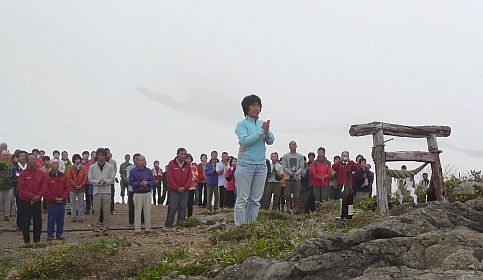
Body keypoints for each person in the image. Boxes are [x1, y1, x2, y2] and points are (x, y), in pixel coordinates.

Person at [234, 94, 274, 226]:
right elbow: (245, 141)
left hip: (261, 165)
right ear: (246, 108)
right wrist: (261, 132)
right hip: (245, 165)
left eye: (258, 105)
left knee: (256, 200)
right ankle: (240, 227)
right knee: (242, 200)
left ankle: (250, 226)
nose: (256, 108)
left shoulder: (263, 124)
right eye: (253, 105)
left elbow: (271, 140)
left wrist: (266, 132)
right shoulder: (241, 124)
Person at [18, 153, 45, 243]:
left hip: (37, 201)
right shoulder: (23, 174)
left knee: (38, 221)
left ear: (36, 160)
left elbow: (43, 186)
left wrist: (38, 196)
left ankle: (37, 240)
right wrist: (32, 197)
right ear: (27, 160)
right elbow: (21, 188)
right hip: (25, 201)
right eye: (29, 159)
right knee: (25, 221)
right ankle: (27, 241)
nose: (31, 161)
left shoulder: (41, 174)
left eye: (33, 159)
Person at [88, 148, 115, 236]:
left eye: (103, 155)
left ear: (105, 156)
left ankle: (105, 228)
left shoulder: (110, 167)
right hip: (96, 192)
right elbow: (90, 179)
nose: (101, 157)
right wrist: (97, 182)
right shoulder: (92, 167)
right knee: (96, 211)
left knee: (106, 211)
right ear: (97, 156)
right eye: (99, 155)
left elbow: (112, 179)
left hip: (107, 192)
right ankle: (96, 229)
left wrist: (105, 182)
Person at [43, 159, 70, 241]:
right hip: (52, 203)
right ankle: (50, 235)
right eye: (54, 163)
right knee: (51, 219)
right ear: (51, 165)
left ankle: (60, 233)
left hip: (61, 202)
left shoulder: (63, 176)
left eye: (57, 163)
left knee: (60, 219)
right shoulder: (47, 177)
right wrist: (54, 198)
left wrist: (63, 197)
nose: (56, 165)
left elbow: (67, 188)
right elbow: (45, 190)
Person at [166, 148, 192, 227]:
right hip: (174, 190)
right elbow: (170, 177)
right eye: (181, 154)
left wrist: (185, 187)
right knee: (172, 208)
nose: (183, 156)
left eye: (184, 154)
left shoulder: (187, 165)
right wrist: (176, 187)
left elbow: (189, 177)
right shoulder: (171, 163)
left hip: (185, 190)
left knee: (183, 208)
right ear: (177, 154)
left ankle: (180, 225)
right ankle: (168, 225)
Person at [129, 155, 154, 232]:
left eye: (143, 160)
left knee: (147, 211)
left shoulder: (149, 171)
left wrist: (147, 183)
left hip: (147, 193)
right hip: (137, 193)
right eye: (140, 160)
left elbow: (152, 181)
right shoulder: (133, 171)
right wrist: (140, 183)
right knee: (137, 211)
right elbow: (131, 182)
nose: (142, 162)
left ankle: (147, 228)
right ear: (136, 161)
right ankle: (137, 229)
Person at [282, 141, 304, 214]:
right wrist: (291, 173)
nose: (292, 146)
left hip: (297, 178)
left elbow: (301, 167)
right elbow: (284, 167)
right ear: (289, 146)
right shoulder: (285, 156)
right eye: (291, 145)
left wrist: (296, 173)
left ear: (296, 146)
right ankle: (288, 209)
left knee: (296, 194)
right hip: (288, 177)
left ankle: (296, 209)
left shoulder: (300, 156)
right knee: (287, 194)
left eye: (294, 145)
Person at [10, 150, 28, 234]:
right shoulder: (14, 169)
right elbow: (12, 180)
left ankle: (26, 227)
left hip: (29, 193)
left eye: (24, 156)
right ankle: (20, 227)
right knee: (20, 210)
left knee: (28, 211)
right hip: (19, 193)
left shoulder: (29, 168)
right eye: (21, 156)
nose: (23, 157)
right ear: (17, 158)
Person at [66, 154, 88, 222]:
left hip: (81, 188)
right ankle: (73, 217)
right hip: (72, 188)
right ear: (74, 160)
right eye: (76, 159)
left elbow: (85, 178)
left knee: (81, 203)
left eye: (78, 159)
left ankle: (81, 217)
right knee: (73, 204)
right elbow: (69, 178)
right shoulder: (70, 168)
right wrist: (75, 185)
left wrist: (81, 185)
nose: (77, 160)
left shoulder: (84, 168)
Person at [126, 154, 143, 227]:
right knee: (131, 206)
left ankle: (141, 221)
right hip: (132, 190)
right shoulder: (129, 168)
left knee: (141, 206)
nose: (137, 160)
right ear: (133, 160)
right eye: (136, 159)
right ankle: (131, 222)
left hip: (140, 190)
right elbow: (128, 179)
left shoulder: (143, 169)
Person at [0, 150, 13, 221]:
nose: (5, 156)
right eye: (4, 155)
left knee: (7, 202)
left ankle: (6, 215)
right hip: (0, 186)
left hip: (8, 186)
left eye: (7, 155)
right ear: (1, 155)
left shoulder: (10, 165)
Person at [105, 148, 117, 215]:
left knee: (111, 195)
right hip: (103, 183)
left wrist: (110, 178)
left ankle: (112, 209)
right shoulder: (100, 162)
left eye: (108, 153)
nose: (107, 155)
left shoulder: (113, 162)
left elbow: (114, 171)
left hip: (111, 182)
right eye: (105, 153)